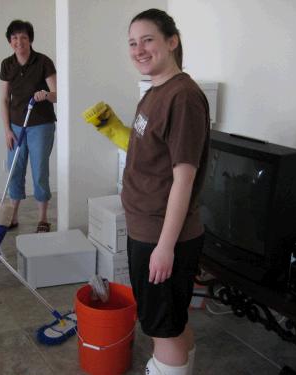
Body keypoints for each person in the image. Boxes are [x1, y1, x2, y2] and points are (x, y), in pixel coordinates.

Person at [84, 8, 209, 375]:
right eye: (132, 43)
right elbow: (149, 155)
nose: (138, 50)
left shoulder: (182, 97)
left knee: (162, 329)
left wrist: (165, 247)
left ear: (172, 41)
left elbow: (183, 178)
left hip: (161, 235)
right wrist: (112, 129)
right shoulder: (155, 91)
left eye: (148, 40)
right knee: (169, 321)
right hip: (147, 229)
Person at [0, 19, 57, 233]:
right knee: (15, 170)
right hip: (15, 126)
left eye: (23, 37)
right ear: (10, 41)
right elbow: (4, 99)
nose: (19, 41)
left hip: (41, 125)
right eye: (14, 38)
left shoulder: (43, 62)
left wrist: (46, 95)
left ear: (30, 39)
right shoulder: (7, 64)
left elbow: (58, 95)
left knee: (39, 171)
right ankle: (13, 216)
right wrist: (7, 130)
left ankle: (43, 218)